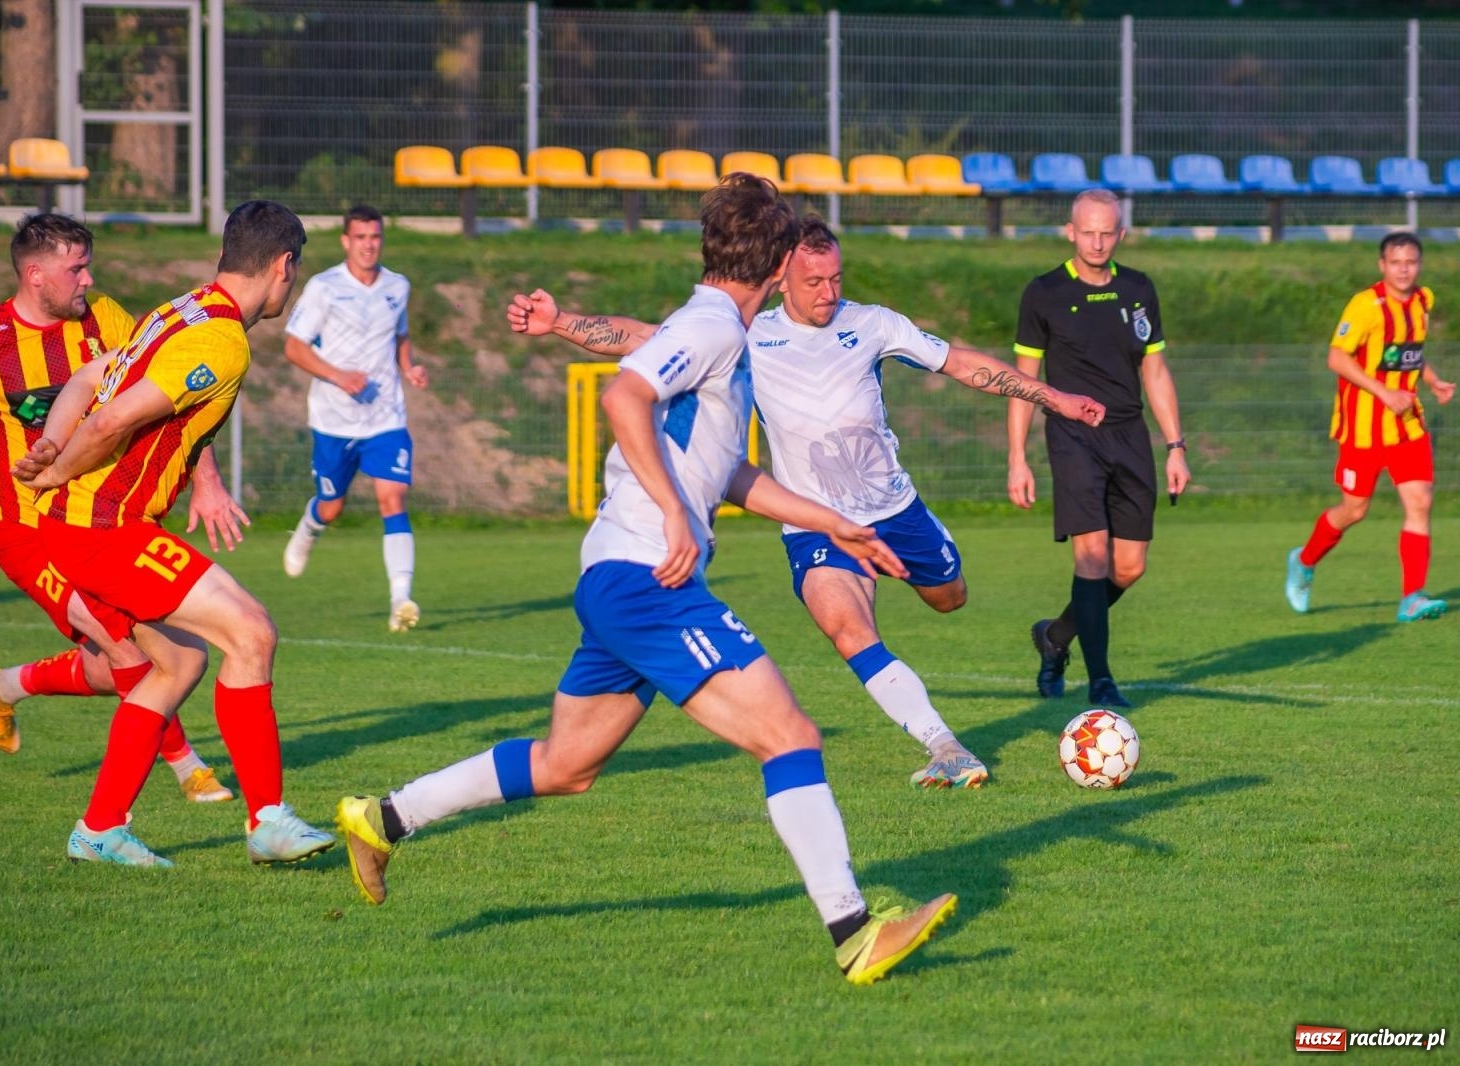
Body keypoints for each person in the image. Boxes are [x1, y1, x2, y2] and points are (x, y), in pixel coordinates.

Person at [336, 174, 956, 987]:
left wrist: (829, 520)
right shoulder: (713, 327)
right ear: (777, 266)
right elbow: (625, 397)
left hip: (617, 576)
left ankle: (383, 818)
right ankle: (853, 931)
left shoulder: (717, 330)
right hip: (648, 579)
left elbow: (728, 473)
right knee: (791, 737)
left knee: (566, 766)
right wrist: (672, 513)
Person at [506, 215, 1105, 790]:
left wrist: (1053, 397)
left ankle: (1021, 634)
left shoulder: (873, 323)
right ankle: (944, 747)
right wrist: (560, 322)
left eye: (836, 278)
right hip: (815, 524)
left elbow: (961, 364)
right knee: (848, 630)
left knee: (950, 598)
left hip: (896, 511)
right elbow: (639, 338)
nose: (828, 292)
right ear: (781, 279)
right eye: (814, 281)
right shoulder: (746, 334)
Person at [0, 212, 234, 803]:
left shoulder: (106, 318)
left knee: (117, 666)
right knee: (128, 648)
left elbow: (168, 399)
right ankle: (188, 768)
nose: (88, 280)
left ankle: (4, 685)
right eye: (76, 269)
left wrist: (206, 482)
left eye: (88, 266)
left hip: (100, 522)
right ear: (35, 275)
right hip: (27, 534)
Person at [15, 200, 334, 868]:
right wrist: (58, 469)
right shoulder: (221, 342)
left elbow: (88, 378)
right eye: (296, 271)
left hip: (88, 523)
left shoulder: (180, 309)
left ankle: (99, 831)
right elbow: (110, 421)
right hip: (104, 527)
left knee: (180, 663)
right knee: (252, 633)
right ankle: (268, 820)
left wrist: (49, 446)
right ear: (284, 266)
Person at [1007, 188, 1189, 710]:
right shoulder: (1044, 292)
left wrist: (1175, 446)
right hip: (1073, 436)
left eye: (1107, 232)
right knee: (1091, 554)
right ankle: (1101, 681)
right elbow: (1023, 381)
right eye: (1087, 232)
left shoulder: (1138, 289)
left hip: (1129, 435)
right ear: (1070, 232)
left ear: (1121, 234)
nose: (1097, 242)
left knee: (1128, 567)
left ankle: (1056, 635)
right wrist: (1017, 458)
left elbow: (1155, 371)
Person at [1285, 232, 1454, 622]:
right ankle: (1305, 561)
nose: (1403, 270)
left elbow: (1407, 352)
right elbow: (1336, 358)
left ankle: (1412, 597)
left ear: (1419, 264)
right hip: (1362, 431)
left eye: (1410, 262)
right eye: (1396, 263)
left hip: (1407, 426)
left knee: (1420, 502)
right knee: (1354, 510)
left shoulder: (1423, 300)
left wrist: (1431, 380)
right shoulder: (1365, 306)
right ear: (1382, 265)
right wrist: (1383, 393)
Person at [280, 204, 429, 632]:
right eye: (360, 237)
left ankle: (401, 599)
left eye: (375, 237)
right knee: (332, 507)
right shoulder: (325, 287)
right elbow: (294, 346)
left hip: (385, 418)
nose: (369, 245)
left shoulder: (398, 286)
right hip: (334, 420)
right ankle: (308, 529)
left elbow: (400, 334)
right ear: (346, 241)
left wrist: (409, 367)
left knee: (392, 498)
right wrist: (338, 376)